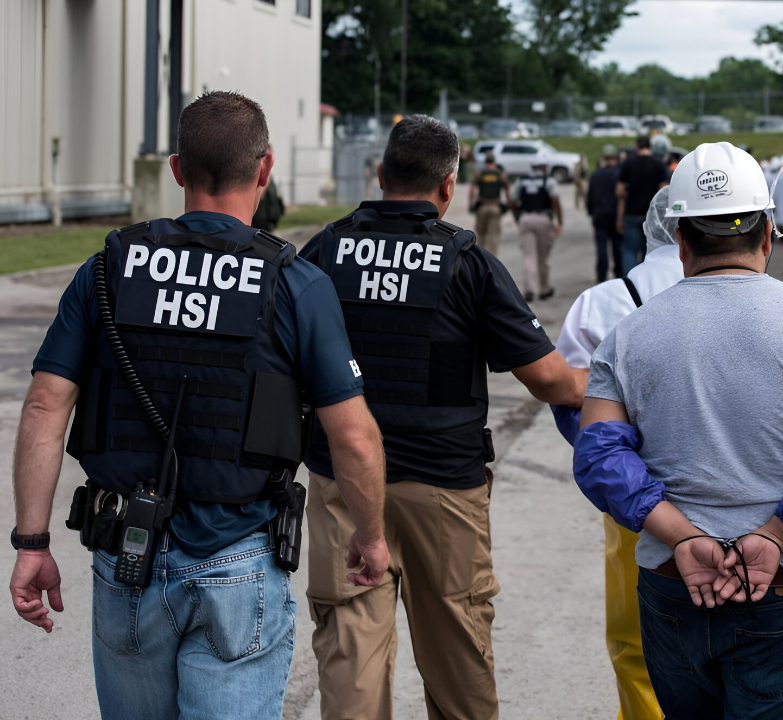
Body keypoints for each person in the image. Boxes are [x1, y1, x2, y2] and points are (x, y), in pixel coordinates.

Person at [8, 91, 390, 719]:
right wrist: (370, 535)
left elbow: (45, 408)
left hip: (127, 554)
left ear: (178, 169)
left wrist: (32, 541)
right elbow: (353, 438)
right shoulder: (296, 283)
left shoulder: (106, 268)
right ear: (264, 170)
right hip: (237, 558)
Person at [574, 142, 783, 719]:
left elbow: (599, 456)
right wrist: (775, 533)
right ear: (768, 234)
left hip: (673, 582)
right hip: (778, 586)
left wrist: (680, 535)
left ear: (682, 240)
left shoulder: (627, 336)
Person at [299, 115, 585, 720]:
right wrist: (611, 386)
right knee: (460, 667)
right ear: (449, 186)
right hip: (443, 488)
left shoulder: (324, 250)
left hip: (342, 487)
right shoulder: (467, 263)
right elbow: (550, 380)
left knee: (351, 661)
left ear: (380, 175)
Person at [553, 188, 686, 720]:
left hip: (636, 503)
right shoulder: (770, 298)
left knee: (637, 644)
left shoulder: (605, 300)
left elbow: (571, 405)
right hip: (745, 497)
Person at [616, 135, 668, 274]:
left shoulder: (628, 163)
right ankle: (647, 284)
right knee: (650, 252)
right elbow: (664, 192)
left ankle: (629, 285)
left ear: (637, 146)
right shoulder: (658, 164)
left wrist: (619, 218)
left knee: (629, 251)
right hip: (652, 217)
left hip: (631, 214)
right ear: (650, 147)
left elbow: (619, 191)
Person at [514, 154, 563, 301]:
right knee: (543, 256)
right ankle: (543, 289)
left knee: (529, 256)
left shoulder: (521, 181)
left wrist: (517, 217)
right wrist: (559, 221)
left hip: (525, 218)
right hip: (543, 219)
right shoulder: (548, 181)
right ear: (543, 166)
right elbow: (554, 200)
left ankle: (530, 289)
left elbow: (513, 199)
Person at [587, 144, 624, 283]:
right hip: (615, 215)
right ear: (615, 157)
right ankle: (618, 274)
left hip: (599, 215)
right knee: (617, 247)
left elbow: (590, 196)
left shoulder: (595, 175)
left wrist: (591, 211)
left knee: (601, 246)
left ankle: (602, 275)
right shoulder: (619, 174)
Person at [469, 152, 511, 256]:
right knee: (493, 236)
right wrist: (508, 202)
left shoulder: (481, 173)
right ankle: (491, 260)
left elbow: (472, 188)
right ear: (494, 162)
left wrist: (471, 202)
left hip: (482, 207)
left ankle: (480, 257)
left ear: (486, 162)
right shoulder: (499, 174)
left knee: (481, 233)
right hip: (495, 208)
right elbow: (508, 188)